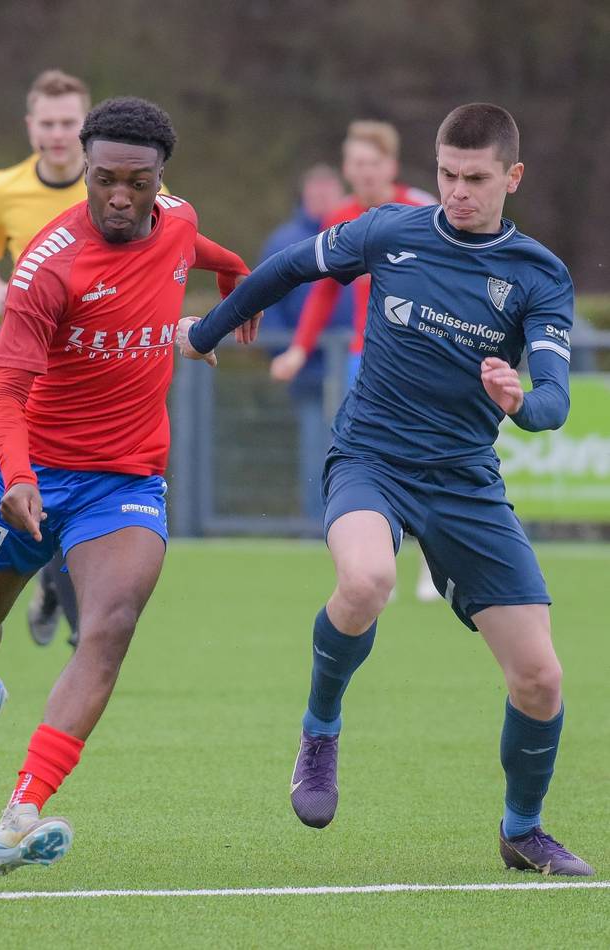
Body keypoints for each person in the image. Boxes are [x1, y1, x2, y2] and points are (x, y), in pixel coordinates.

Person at [179, 103, 593, 876]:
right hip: (370, 458)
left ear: (513, 176)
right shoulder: (390, 231)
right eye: (447, 174)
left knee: (540, 679)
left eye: (476, 178)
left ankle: (522, 830)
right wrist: (205, 333)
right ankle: (320, 730)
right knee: (368, 579)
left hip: (465, 481)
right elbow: (290, 267)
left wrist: (519, 401)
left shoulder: (538, 274)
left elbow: (555, 403)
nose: (458, 191)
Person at [0, 96, 253, 876]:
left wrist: (233, 272)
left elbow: (193, 244)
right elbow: (4, 395)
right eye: (104, 179)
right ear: (85, 169)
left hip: (124, 479)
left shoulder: (176, 219)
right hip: (28, 473)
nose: (119, 196)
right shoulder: (46, 269)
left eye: (137, 183)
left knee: (110, 624)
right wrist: (18, 475)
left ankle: (21, 813)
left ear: (160, 181)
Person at [272, 121, 440, 600]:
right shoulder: (341, 217)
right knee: (364, 458)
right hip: (363, 360)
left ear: (391, 165)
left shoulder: (423, 209)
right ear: (347, 167)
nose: (364, 172)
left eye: (373, 163)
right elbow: (324, 290)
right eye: (357, 163)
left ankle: (433, 559)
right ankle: (374, 562)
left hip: (422, 359)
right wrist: (300, 347)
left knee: (427, 454)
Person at [0, 69, 93, 649]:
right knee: (43, 473)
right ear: (30, 126)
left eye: (69, 123)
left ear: (87, 127)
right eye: (48, 123)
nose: (58, 135)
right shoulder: (3, 188)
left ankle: (60, 592)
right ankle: (71, 608)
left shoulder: (114, 183)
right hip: (35, 362)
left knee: (92, 478)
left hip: (102, 362)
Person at [258, 164, 350, 521]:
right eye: (317, 191)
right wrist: (287, 353)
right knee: (316, 452)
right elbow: (266, 303)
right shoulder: (285, 242)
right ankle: (316, 525)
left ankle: (354, 522)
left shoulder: (355, 236)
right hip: (310, 373)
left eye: (329, 191)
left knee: (360, 453)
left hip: (359, 366)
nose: (323, 199)